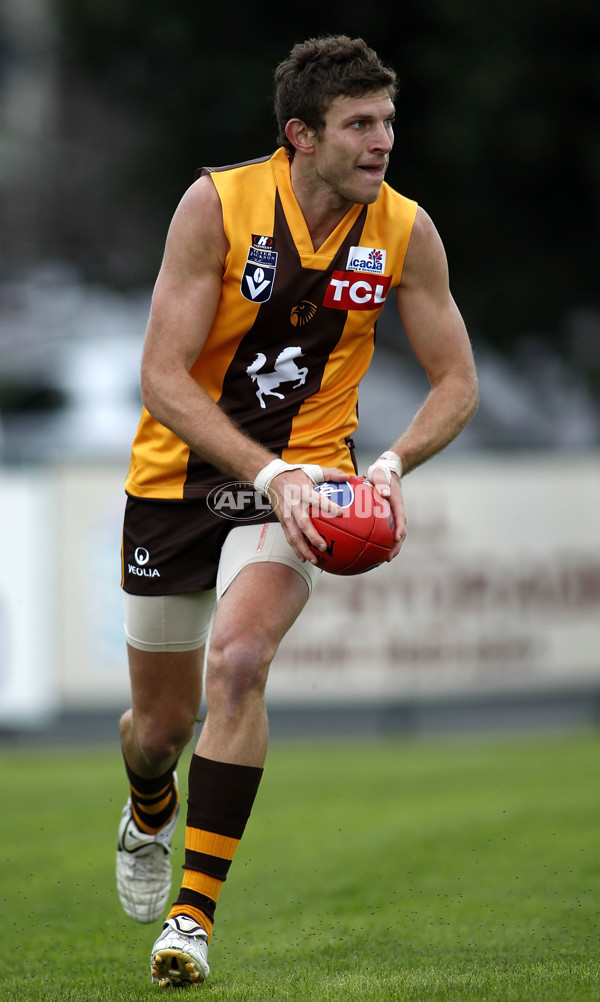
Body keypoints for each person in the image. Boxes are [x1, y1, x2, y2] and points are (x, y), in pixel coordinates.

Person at [115, 34, 478, 988]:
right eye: (360, 124)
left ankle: (190, 921)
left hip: (309, 483)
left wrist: (391, 464)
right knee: (157, 731)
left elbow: (457, 383)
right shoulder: (218, 205)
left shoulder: (407, 230)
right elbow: (159, 377)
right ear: (300, 136)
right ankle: (149, 804)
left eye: (388, 122)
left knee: (238, 662)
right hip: (177, 482)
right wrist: (262, 469)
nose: (383, 141)